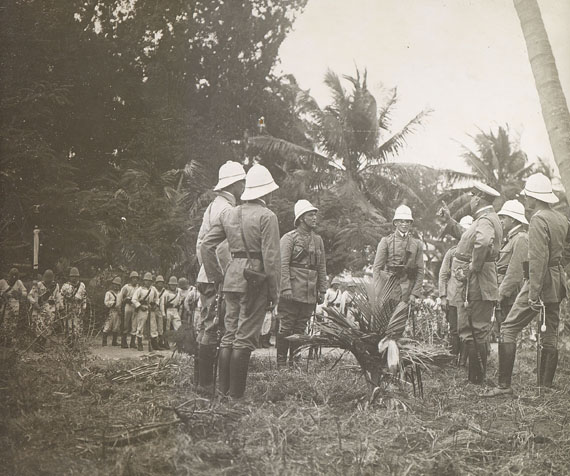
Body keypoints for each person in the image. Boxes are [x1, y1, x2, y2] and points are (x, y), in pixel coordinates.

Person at [201, 164, 281, 399]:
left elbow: (207, 245)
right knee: (244, 339)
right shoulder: (268, 216)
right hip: (255, 280)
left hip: (231, 278)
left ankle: (222, 392)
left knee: (229, 335)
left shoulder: (230, 213)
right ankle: (236, 398)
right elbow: (271, 259)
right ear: (265, 192)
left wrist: (217, 277)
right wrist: (274, 293)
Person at [484, 174, 568, 396]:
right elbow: (564, 253)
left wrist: (533, 293)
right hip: (557, 282)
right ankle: (545, 387)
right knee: (550, 334)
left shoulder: (538, 220)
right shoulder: (561, 219)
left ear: (533, 197)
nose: (527, 200)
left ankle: (504, 386)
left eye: (528, 196)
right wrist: (558, 271)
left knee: (508, 329)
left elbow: (538, 259)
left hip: (540, 282)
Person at [194, 161, 246, 392]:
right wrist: (222, 276)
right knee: (213, 328)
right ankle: (205, 384)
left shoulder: (215, 205)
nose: (244, 187)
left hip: (206, 273)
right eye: (242, 182)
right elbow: (218, 248)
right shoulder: (227, 210)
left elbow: (200, 245)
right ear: (234, 184)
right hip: (215, 275)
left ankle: (202, 382)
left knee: (208, 327)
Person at [447, 183, 502, 385]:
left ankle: (477, 378)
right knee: (470, 328)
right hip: (473, 280)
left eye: (472, 197)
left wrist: (473, 266)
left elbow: (483, 241)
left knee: (477, 327)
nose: (469, 201)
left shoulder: (486, 220)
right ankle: (474, 376)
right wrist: (450, 221)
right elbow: (470, 238)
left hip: (476, 280)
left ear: (478, 199)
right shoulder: (483, 220)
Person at [276, 200, 327, 368]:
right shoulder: (289, 238)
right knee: (286, 328)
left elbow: (321, 266)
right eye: (310, 214)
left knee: (300, 328)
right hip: (291, 291)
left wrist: (322, 290)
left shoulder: (318, 240)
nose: (314, 217)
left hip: (309, 292)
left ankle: (295, 362)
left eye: (315, 214)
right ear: (301, 218)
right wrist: (285, 288)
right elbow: (282, 265)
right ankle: (281, 364)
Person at [373, 205, 425, 335]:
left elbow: (420, 271)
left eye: (407, 221)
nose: (404, 224)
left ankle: (396, 354)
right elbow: (377, 268)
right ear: (395, 222)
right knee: (384, 326)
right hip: (388, 289)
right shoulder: (386, 241)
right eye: (401, 221)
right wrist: (378, 291)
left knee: (399, 327)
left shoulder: (416, 244)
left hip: (406, 290)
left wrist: (414, 294)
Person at [439, 215, 473, 356]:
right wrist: (442, 296)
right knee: (454, 329)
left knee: (468, 330)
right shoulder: (452, 252)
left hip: (469, 298)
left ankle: (465, 361)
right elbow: (443, 275)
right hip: (453, 298)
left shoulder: (476, 253)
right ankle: (453, 359)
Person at [496, 200, 529, 328]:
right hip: (506, 294)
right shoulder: (512, 239)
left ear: (513, 220)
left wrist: (501, 294)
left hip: (511, 295)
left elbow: (515, 272)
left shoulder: (521, 238)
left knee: (508, 331)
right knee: (503, 331)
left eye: (503, 217)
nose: (501, 221)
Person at [28, 269, 63, 351]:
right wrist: (34, 303)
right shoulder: (38, 285)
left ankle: (43, 346)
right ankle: (38, 346)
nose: (49, 282)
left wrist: (60, 308)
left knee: (48, 329)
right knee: (39, 328)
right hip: (40, 310)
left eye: (50, 280)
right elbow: (30, 296)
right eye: (47, 280)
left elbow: (58, 298)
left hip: (51, 311)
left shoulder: (55, 286)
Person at [131, 272, 160, 351]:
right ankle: (139, 343)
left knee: (153, 326)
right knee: (141, 325)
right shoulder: (139, 290)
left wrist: (155, 305)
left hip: (151, 308)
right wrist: (140, 306)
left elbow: (157, 298)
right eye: (146, 280)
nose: (148, 282)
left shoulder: (153, 289)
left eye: (149, 281)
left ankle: (154, 343)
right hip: (142, 309)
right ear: (144, 281)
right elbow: (134, 299)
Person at [60, 267, 87, 347]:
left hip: (78, 308)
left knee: (77, 326)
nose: (74, 278)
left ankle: (76, 344)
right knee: (68, 326)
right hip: (68, 308)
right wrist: (61, 308)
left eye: (76, 276)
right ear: (69, 277)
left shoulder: (82, 286)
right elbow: (60, 297)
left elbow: (84, 297)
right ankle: (68, 344)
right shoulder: (65, 286)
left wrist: (84, 307)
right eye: (72, 276)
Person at [0, 268, 27, 346]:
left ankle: (9, 339)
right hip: (4, 305)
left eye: (15, 276)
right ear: (9, 275)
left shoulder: (18, 283)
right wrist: (3, 294)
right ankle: (2, 339)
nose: (13, 278)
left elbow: (25, 292)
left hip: (14, 305)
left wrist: (19, 293)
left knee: (12, 322)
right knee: (3, 321)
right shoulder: (2, 282)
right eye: (12, 276)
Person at [118, 271, 139, 348]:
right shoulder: (126, 287)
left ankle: (132, 342)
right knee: (125, 323)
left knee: (134, 324)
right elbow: (120, 297)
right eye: (133, 278)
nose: (135, 280)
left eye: (136, 278)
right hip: (127, 306)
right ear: (130, 279)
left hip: (135, 306)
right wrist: (119, 307)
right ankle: (123, 342)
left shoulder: (138, 288)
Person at [160, 276, 182, 347]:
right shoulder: (166, 293)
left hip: (175, 310)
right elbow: (162, 304)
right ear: (169, 285)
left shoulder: (178, 292)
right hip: (168, 310)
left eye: (174, 285)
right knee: (167, 328)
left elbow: (181, 301)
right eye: (172, 285)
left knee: (178, 327)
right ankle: (166, 342)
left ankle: (178, 343)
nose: (173, 286)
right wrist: (163, 314)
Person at [102, 277, 122, 346]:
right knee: (108, 325)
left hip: (118, 311)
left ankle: (114, 341)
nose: (116, 286)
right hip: (111, 310)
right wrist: (114, 303)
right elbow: (106, 302)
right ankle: (104, 341)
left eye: (118, 285)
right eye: (115, 284)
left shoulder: (120, 293)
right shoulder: (109, 293)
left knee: (116, 326)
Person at [154, 275, 168, 349]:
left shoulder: (165, 291)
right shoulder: (153, 290)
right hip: (153, 309)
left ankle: (160, 342)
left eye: (161, 283)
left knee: (160, 327)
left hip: (160, 309)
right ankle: (154, 343)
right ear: (156, 283)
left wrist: (163, 313)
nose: (160, 284)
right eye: (159, 283)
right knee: (153, 326)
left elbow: (163, 303)